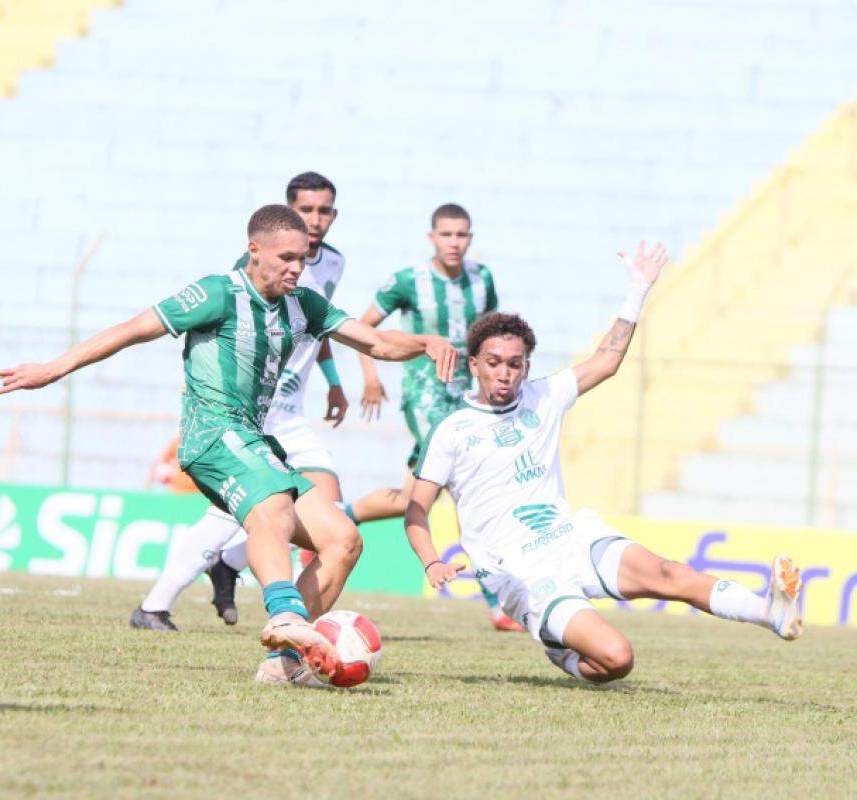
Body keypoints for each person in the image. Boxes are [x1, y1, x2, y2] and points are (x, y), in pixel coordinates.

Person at [0, 204, 457, 686]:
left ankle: (285, 665)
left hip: (255, 439)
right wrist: (53, 368)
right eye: (286, 258)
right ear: (253, 250)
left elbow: (376, 343)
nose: (297, 268)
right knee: (273, 502)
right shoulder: (218, 292)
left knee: (342, 540)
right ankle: (284, 616)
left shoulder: (305, 303)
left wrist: (424, 341)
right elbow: (132, 330)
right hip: (212, 434)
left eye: (302, 259)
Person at [406, 242, 803, 684]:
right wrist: (432, 562)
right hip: (521, 574)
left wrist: (638, 288)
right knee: (617, 659)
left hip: (571, 538)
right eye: (494, 363)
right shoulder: (454, 430)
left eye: (515, 364)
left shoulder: (543, 396)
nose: (505, 373)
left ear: (526, 366)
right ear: (475, 364)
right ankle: (564, 653)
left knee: (666, 573)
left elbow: (607, 361)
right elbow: (416, 508)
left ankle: (770, 611)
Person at [130, 171, 348, 632]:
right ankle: (167, 600)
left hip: (291, 407)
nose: (315, 220)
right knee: (264, 505)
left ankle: (228, 572)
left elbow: (317, 325)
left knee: (323, 515)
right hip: (255, 413)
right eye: (305, 210)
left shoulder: (327, 266)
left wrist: (332, 380)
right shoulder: (256, 268)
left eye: (324, 210)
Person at [346, 203, 522, 631]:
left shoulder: (482, 278)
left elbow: (494, 333)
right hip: (424, 397)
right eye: (446, 235)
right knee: (466, 485)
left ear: (470, 238)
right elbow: (363, 327)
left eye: (462, 235)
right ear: (432, 238)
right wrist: (370, 376)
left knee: (415, 500)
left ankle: (338, 516)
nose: (454, 243)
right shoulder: (409, 281)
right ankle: (497, 604)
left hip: (465, 396)